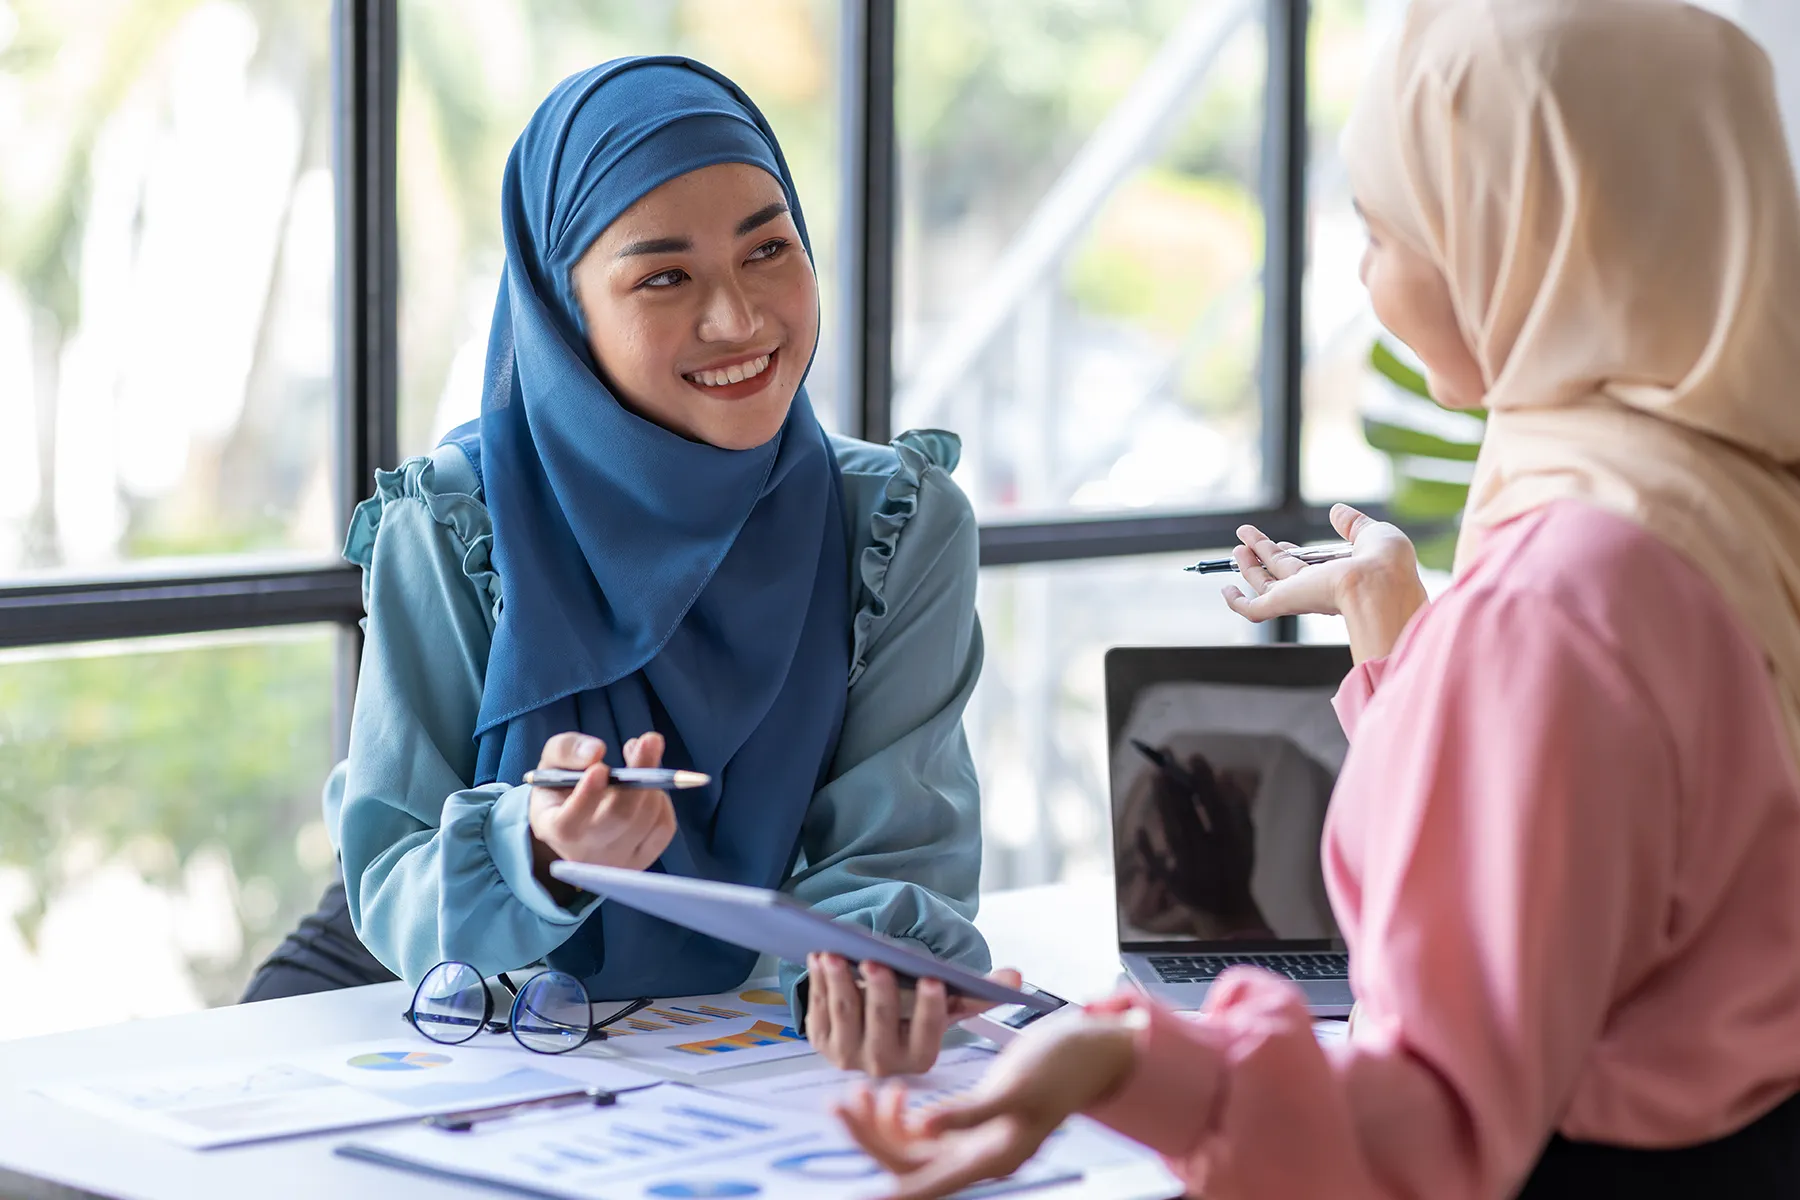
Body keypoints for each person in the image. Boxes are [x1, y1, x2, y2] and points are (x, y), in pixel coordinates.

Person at [837, 0, 1800, 1190]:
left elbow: (1431, 1126)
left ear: (1523, 234)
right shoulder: (1735, 509)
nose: (1367, 274)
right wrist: (1411, 658)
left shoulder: (1557, 602)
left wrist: (1121, 1062)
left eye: (1387, 230)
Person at [243, 56, 1017, 1077]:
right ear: (563, 310)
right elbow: (396, 875)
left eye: (769, 250)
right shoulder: (454, 521)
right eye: (664, 276)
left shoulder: (895, 527)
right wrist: (542, 847)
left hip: (721, 1041)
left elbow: (894, 847)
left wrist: (875, 968)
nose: (739, 320)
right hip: (428, 984)